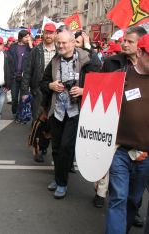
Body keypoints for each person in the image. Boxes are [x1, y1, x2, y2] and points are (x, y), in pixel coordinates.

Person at [40, 29, 101, 199]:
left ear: (73, 43)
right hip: (57, 110)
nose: (60, 45)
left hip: (76, 111)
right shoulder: (54, 60)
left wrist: (83, 90)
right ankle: (58, 177)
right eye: (58, 42)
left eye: (64, 42)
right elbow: (42, 83)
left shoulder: (88, 59)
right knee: (57, 147)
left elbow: (100, 85)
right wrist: (51, 86)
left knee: (67, 147)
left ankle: (62, 183)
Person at [95, 26, 147, 211]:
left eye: (129, 41)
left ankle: (132, 212)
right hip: (116, 135)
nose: (124, 43)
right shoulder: (112, 63)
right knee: (117, 194)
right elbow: (98, 92)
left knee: (134, 195)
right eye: (124, 40)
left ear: (140, 47)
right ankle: (101, 192)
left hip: (142, 145)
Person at [105, 33, 149, 234]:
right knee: (118, 198)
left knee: (133, 200)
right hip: (120, 151)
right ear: (140, 53)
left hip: (146, 156)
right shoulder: (121, 77)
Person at [22, 22, 57, 163]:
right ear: (43, 33)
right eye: (46, 32)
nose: (48, 35)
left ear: (55, 34)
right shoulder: (36, 51)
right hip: (39, 92)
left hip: (55, 93)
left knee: (53, 123)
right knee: (38, 122)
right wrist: (25, 91)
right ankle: (39, 150)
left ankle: (50, 149)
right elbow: (28, 71)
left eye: (51, 32)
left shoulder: (59, 51)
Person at [9, 30, 33, 122]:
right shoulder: (13, 47)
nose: (28, 39)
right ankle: (15, 111)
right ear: (21, 37)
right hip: (15, 76)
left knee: (22, 98)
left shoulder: (29, 48)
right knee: (14, 98)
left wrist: (31, 46)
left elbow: (33, 58)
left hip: (24, 77)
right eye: (26, 37)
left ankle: (19, 115)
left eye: (28, 37)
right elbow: (9, 61)